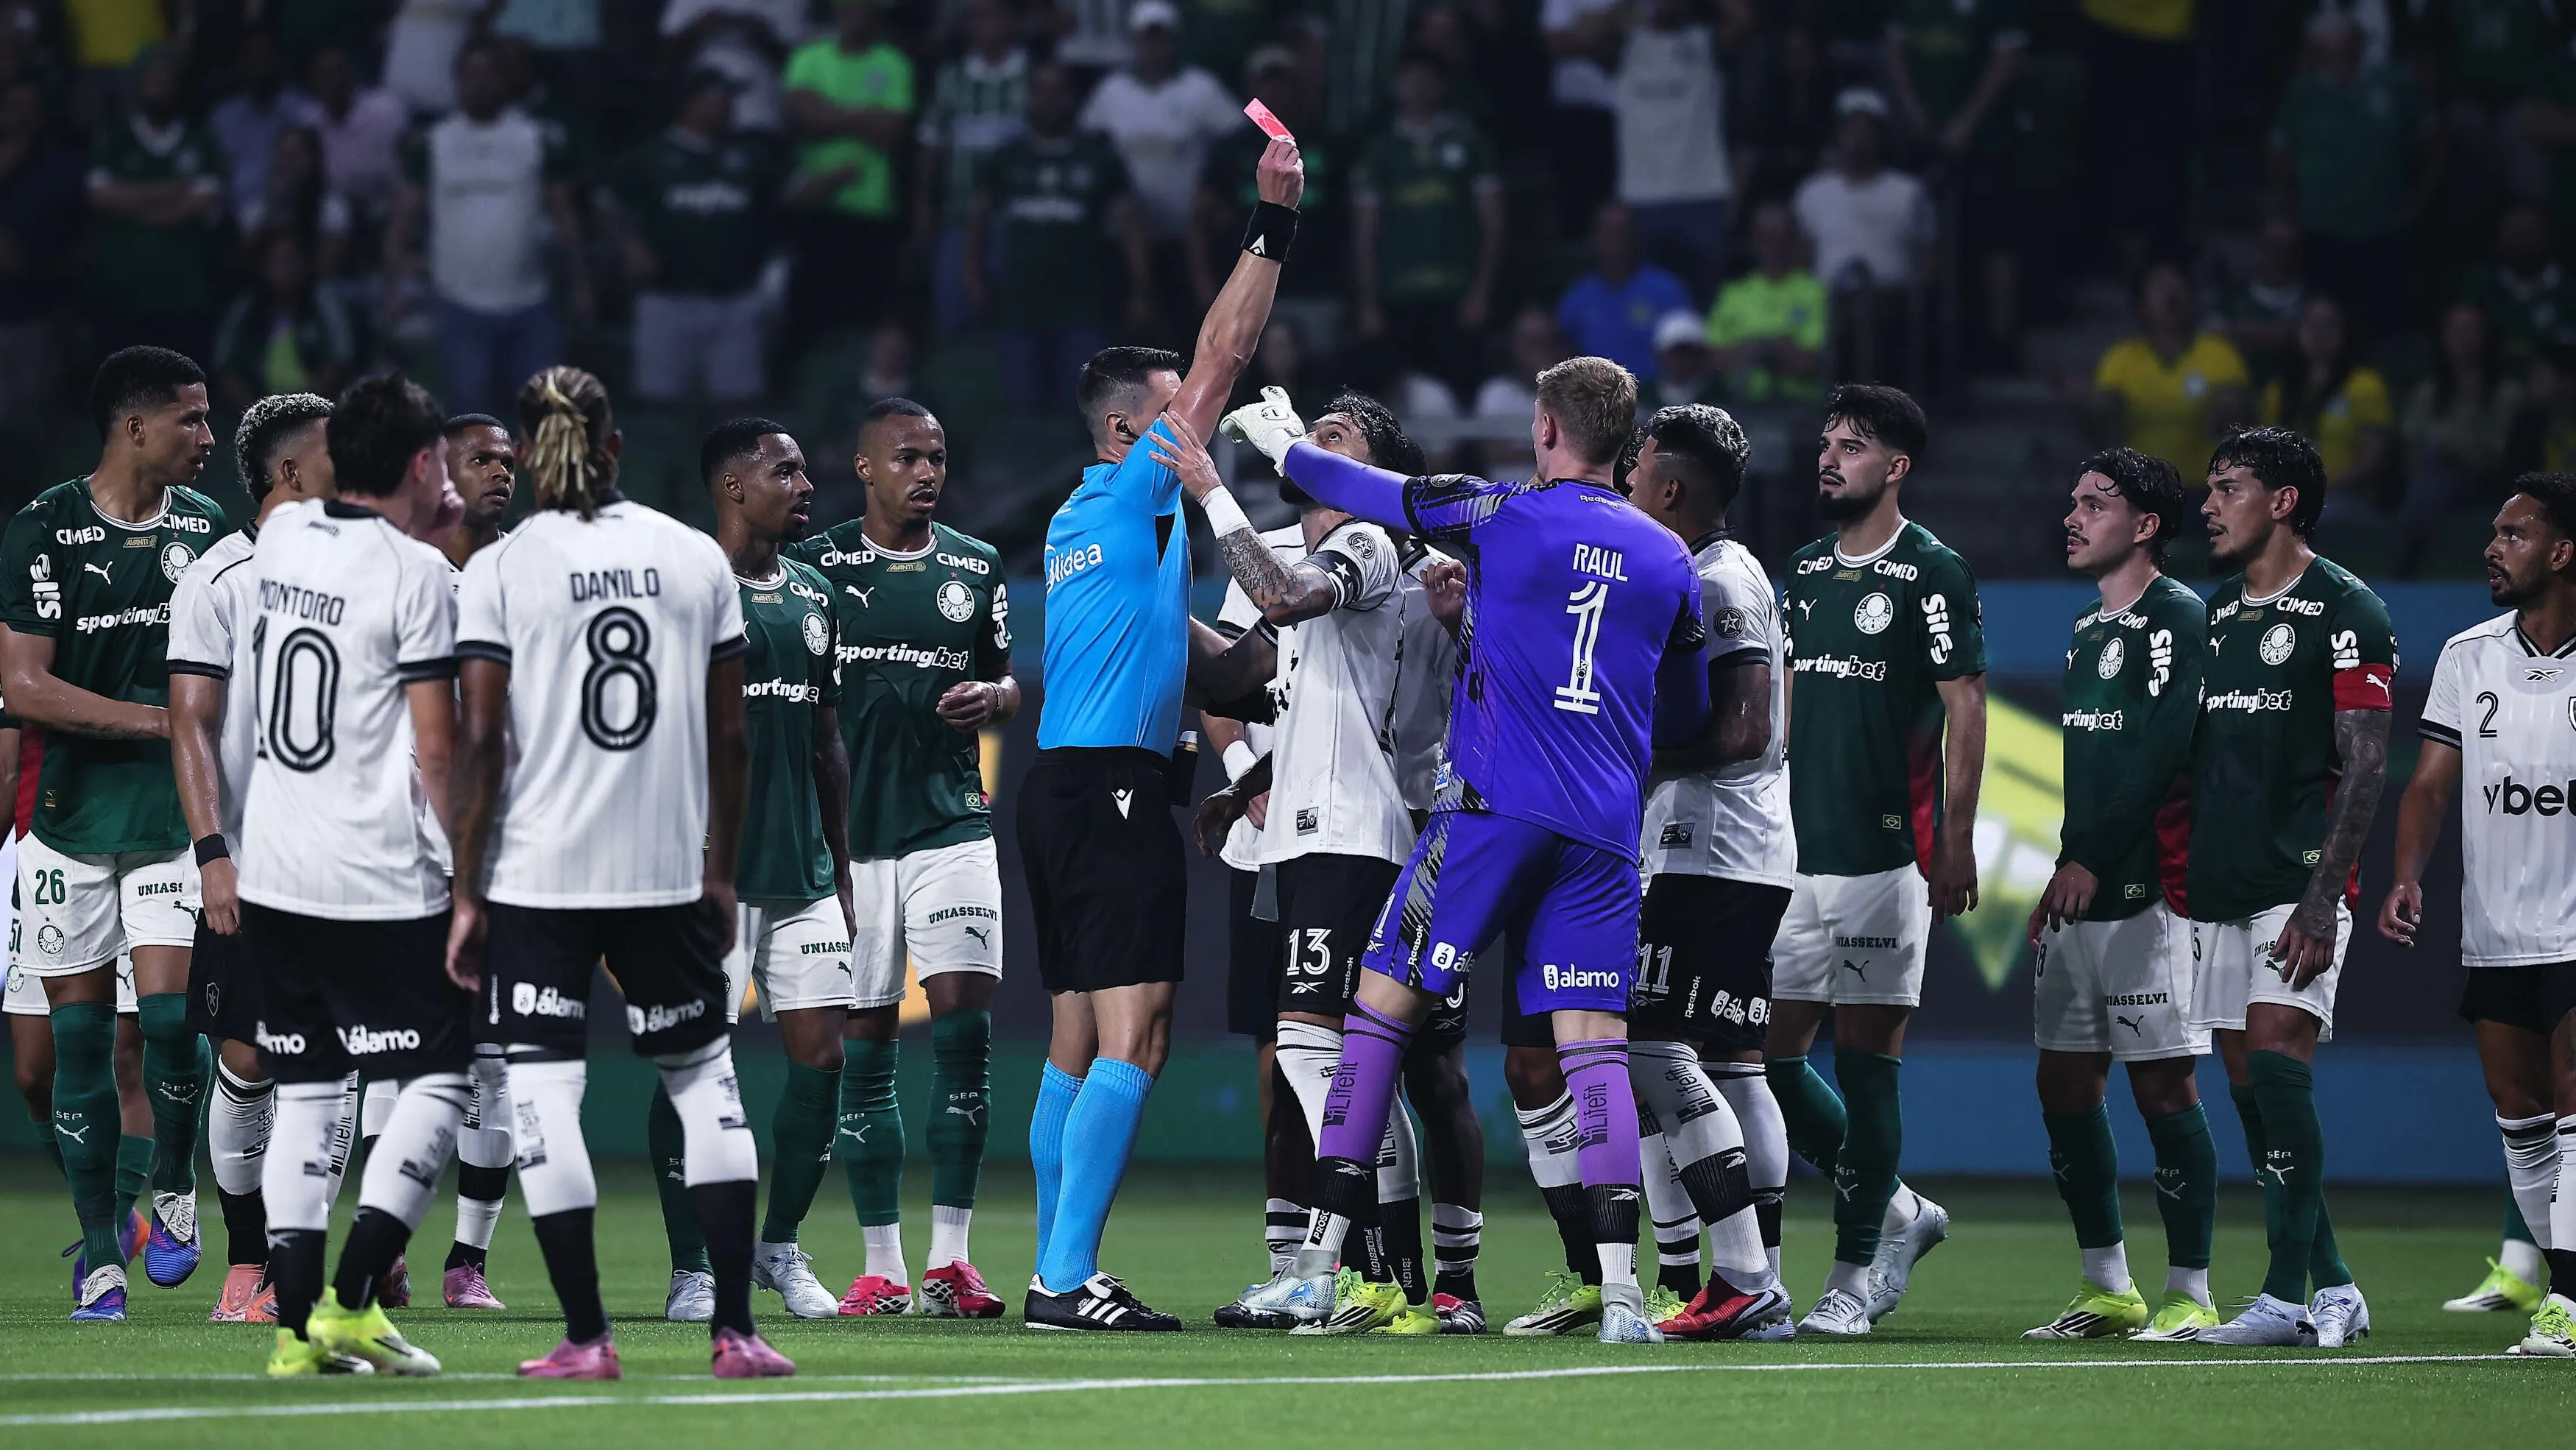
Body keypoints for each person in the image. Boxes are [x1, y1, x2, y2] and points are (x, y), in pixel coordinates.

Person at [1214, 354, 1710, 1345]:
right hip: (1605, 836)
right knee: (1594, 1056)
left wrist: (1281, 446)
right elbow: (1688, 713)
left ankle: (1318, 1268)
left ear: (1544, 431)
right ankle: (1620, 1292)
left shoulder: (1500, 516)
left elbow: (1369, 492)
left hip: (1488, 818)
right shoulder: (1670, 561)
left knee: (1376, 1019)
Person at [447, 366, 788, 1380]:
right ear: (617, 445)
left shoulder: (501, 569)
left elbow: (484, 746)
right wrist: (721, 871)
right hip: (664, 873)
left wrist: (467, 891)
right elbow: (732, 734)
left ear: (528, 445)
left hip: (541, 877)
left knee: (546, 1095)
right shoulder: (692, 557)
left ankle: (589, 1336)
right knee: (706, 1086)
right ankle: (736, 1329)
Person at [1014, 134, 1302, 1332]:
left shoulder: (1093, 529)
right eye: (1177, 412)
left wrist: (1297, 663)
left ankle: (1052, 1267)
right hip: (1115, 793)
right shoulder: (1137, 489)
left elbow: (1212, 662)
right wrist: (1272, 223)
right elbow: (1226, 350)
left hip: (1061, 791)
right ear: (1138, 430)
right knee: (1144, 1032)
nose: (1202, 415)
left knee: (1076, 1041)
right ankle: (1063, 1279)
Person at [1183, 394, 1468, 1336]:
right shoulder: (1331, 554)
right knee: (1334, 1058)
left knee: (1324, 1054)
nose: (1312, 441)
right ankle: (1373, 1277)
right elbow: (1242, 678)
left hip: (1352, 838)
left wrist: (1210, 490)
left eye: (1336, 438)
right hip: (1315, 833)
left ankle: (1367, 1275)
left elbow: (1277, 598)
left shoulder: (1366, 543)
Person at [230, 372, 470, 1378]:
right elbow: (439, 746)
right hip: (374, 871)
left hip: (275, 866)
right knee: (447, 1072)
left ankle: (296, 1335)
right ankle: (356, 1295)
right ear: (422, 462)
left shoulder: (280, 541)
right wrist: (471, 877)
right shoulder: (422, 578)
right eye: (444, 458)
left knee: (312, 1086)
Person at [0, 347, 226, 1320]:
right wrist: (160, 720)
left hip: (173, 818)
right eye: (192, 418)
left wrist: (189, 735)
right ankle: (102, 1253)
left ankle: (175, 1177)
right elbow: (21, 685)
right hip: (66, 820)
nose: (210, 437)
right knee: (76, 1045)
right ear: (134, 427)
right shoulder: (41, 532)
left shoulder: (209, 532)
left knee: (171, 1025)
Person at [785, 400, 1016, 1320]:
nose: (927, 471)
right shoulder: (816, 565)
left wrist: (994, 697)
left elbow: (1005, 671)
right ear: (865, 469)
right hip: (849, 844)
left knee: (963, 1024)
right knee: (866, 1044)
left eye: (938, 455)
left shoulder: (976, 564)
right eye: (907, 457)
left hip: (949, 823)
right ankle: (880, 1263)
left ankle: (950, 1260)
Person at [1768, 383, 1984, 1336]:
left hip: (1883, 858)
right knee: (1766, 1060)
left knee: (1866, 1066)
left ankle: (1853, 1281)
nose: (1829, 458)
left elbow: (1968, 710)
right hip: (1791, 857)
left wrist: (1958, 841)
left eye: (1851, 446)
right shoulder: (1804, 570)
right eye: (1826, 443)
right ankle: (1897, 1205)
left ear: (1895, 467)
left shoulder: (1933, 571)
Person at [2187, 426, 2394, 1349]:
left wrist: (2322, 897)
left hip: (2295, 884)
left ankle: (2279, 1295)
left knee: (2276, 1062)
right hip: (2218, 883)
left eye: (2225, 487)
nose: (2207, 504)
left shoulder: (2347, 609)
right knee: (2250, 1092)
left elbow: (2364, 767)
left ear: (2280, 501)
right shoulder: (2216, 614)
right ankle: (2336, 1283)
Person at [644, 419, 852, 1326]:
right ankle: (692, 1266)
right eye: (786, 470)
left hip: (800, 872)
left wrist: (843, 869)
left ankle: (781, 1245)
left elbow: (824, 744)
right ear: (732, 486)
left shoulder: (814, 591)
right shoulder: (679, 586)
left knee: (823, 1061)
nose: (807, 484)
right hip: (699, 876)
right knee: (693, 1068)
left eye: (806, 468)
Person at [2020, 448, 2220, 1343]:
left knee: (2162, 1087)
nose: (2072, 516)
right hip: (2085, 885)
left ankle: (2190, 1289)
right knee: (2062, 1084)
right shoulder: (2084, 630)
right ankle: (2107, 1284)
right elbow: (2093, 773)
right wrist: (2064, 867)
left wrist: (2090, 859)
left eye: (2093, 503)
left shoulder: (2179, 616)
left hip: (2154, 891)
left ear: (2144, 526)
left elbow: (2162, 751)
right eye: (2072, 500)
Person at [2382, 474, 2576, 1357]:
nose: (2491, 546)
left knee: (2572, 1111)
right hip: (2495, 930)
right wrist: (2405, 873)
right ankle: (2553, 1279)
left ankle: (2566, 1303)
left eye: (2513, 533)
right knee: (2520, 1119)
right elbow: (2428, 782)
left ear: (2562, 551)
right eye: (2492, 531)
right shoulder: (2468, 656)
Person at [1620, 403, 1796, 1342]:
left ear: (1671, 487)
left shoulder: (1717, 578)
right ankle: (1752, 1278)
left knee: (1647, 1044)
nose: (1626, 480)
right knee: (1732, 1064)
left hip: (1710, 851)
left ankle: (1742, 1276)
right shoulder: (1719, 570)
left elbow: (1743, 726)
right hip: (1740, 851)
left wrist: (1629, 759)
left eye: (1638, 467)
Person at [166, 392, 336, 1327]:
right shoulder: (222, 578)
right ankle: (244, 1254)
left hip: (353, 864)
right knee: (248, 1060)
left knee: (332, 1066)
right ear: (290, 471)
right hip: (257, 865)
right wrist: (212, 854)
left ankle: (296, 1260)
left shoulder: (367, 569)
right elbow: (192, 723)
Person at [428, 410, 516, 1309]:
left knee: (495, 1057)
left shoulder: (527, 572)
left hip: (502, 850)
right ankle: (384, 1249)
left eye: (507, 460)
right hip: (394, 848)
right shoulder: (397, 568)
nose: (501, 473)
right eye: (480, 460)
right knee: (386, 1054)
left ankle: (468, 1260)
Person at [386, 40, 590, 418]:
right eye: (471, 75)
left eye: (488, 74)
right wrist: (397, 281)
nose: (480, 84)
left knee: (548, 417)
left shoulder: (536, 138)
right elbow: (402, 221)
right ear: (457, 81)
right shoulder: (434, 143)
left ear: (505, 81)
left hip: (531, 300)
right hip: (459, 302)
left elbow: (565, 216)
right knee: (471, 416)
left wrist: (580, 284)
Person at [965, 60, 1153, 417]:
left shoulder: (1099, 157)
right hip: (1018, 304)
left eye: (1058, 92)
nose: (1049, 101)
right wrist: (972, 277)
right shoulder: (1008, 158)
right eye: (1041, 91)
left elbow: (1131, 227)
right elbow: (977, 222)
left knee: (1083, 410)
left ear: (1073, 98)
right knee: (1022, 406)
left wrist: (1140, 290)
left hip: (1082, 306)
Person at [609, 70, 788, 408]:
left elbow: (783, 205)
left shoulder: (751, 157)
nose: (729, 106)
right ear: (691, 103)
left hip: (734, 299)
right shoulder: (650, 156)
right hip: (667, 298)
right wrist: (630, 246)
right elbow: (606, 203)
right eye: (720, 97)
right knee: (660, 408)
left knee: (738, 414)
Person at [1078, 0, 1242, 326]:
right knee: (1129, 331)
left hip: (1186, 238)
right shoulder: (1113, 91)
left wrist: (1216, 196)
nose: (1154, 47)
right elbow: (1089, 146)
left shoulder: (1201, 87)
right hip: (1124, 238)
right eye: (1147, 38)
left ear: (1174, 40)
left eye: (1161, 38)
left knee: (1187, 326)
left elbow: (1237, 139)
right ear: (1135, 41)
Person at [1352, 49, 1505, 397]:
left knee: (1463, 394)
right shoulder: (1380, 151)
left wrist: (1481, 293)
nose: (1418, 88)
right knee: (1397, 398)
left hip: (1457, 295)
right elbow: (1365, 233)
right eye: (1410, 80)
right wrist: (1368, 304)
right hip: (1397, 297)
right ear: (1397, 86)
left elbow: (1493, 224)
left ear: (1442, 86)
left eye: (1427, 80)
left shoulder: (1470, 143)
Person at [782, 0, 915, 352]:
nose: (855, 16)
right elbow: (800, 115)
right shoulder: (809, 57)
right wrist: (864, 116)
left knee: (865, 312)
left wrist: (831, 114)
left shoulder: (893, 62)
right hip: (817, 203)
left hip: (872, 207)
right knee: (812, 311)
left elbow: (893, 132)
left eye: (864, 9)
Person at [85, 46, 227, 364]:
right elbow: (99, 195)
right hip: (123, 289)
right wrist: (175, 188)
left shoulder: (199, 138)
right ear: (136, 86)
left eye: (166, 81)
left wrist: (131, 203)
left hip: (185, 288)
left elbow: (203, 200)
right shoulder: (115, 139)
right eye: (152, 81)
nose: (159, 88)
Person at [2079, 264, 2251, 483]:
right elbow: (2103, 416)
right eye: (2159, 287)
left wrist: (2228, 410)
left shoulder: (2220, 353)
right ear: (2142, 306)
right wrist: (2090, 404)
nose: (2171, 293)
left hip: (2204, 488)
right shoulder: (2121, 358)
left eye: (2178, 285)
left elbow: (2235, 414)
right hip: (2141, 486)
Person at [1611, 0, 1733, 300]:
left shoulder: (1706, 41)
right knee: (1646, 306)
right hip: (1641, 196)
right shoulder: (1625, 45)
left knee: (1706, 303)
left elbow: (1743, 20)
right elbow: (1584, 36)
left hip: (1702, 192)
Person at [210, 229, 361, 413]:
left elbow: (339, 359)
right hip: (259, 409)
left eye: (291, 259)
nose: (284, 268)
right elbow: (225, 366)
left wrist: (301, 408)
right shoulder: (247, 308)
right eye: (276, 260)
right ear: (263, 266)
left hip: (315, 410)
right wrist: (258, 412)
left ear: (304, 263)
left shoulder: (322, 301)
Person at [2260, 295, 2392, 498]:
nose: (2319, 333)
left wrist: (2323, 489)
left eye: (2328, 325)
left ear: (2344, 332)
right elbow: (2266, 455)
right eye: (2311, 325)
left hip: (2347, 496)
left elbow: (2372, 460)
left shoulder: (2366, 386)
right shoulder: (2278, 390)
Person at [1705, 202, 1826, 407]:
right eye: (1766, 238)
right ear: (1754, 242)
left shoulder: (1814, 292)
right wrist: (1770, 347)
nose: (1773, 245)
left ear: (1793, 240)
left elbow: (1809, 364)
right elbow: (1712, 362)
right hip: (1739, 404)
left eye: (1781, 237)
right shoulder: (1734, 293)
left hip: (1796, 407)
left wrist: (1744, 352)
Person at [1555, 202, 1692, 383]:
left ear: (1636, 236)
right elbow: (1560, 350)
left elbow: (1689, 352)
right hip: (1596, 399)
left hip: (1655, 397)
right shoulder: (1578, 295)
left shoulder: (1668, 290)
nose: (1615, 240)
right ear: (1594, 238)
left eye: (1622, 232)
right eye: (1607, 232)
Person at [437, 413, 517, 570]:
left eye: (508, 465)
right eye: (481, 461)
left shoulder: (530, 565)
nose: (503, 473)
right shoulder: (407, 567)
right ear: (442, 472)